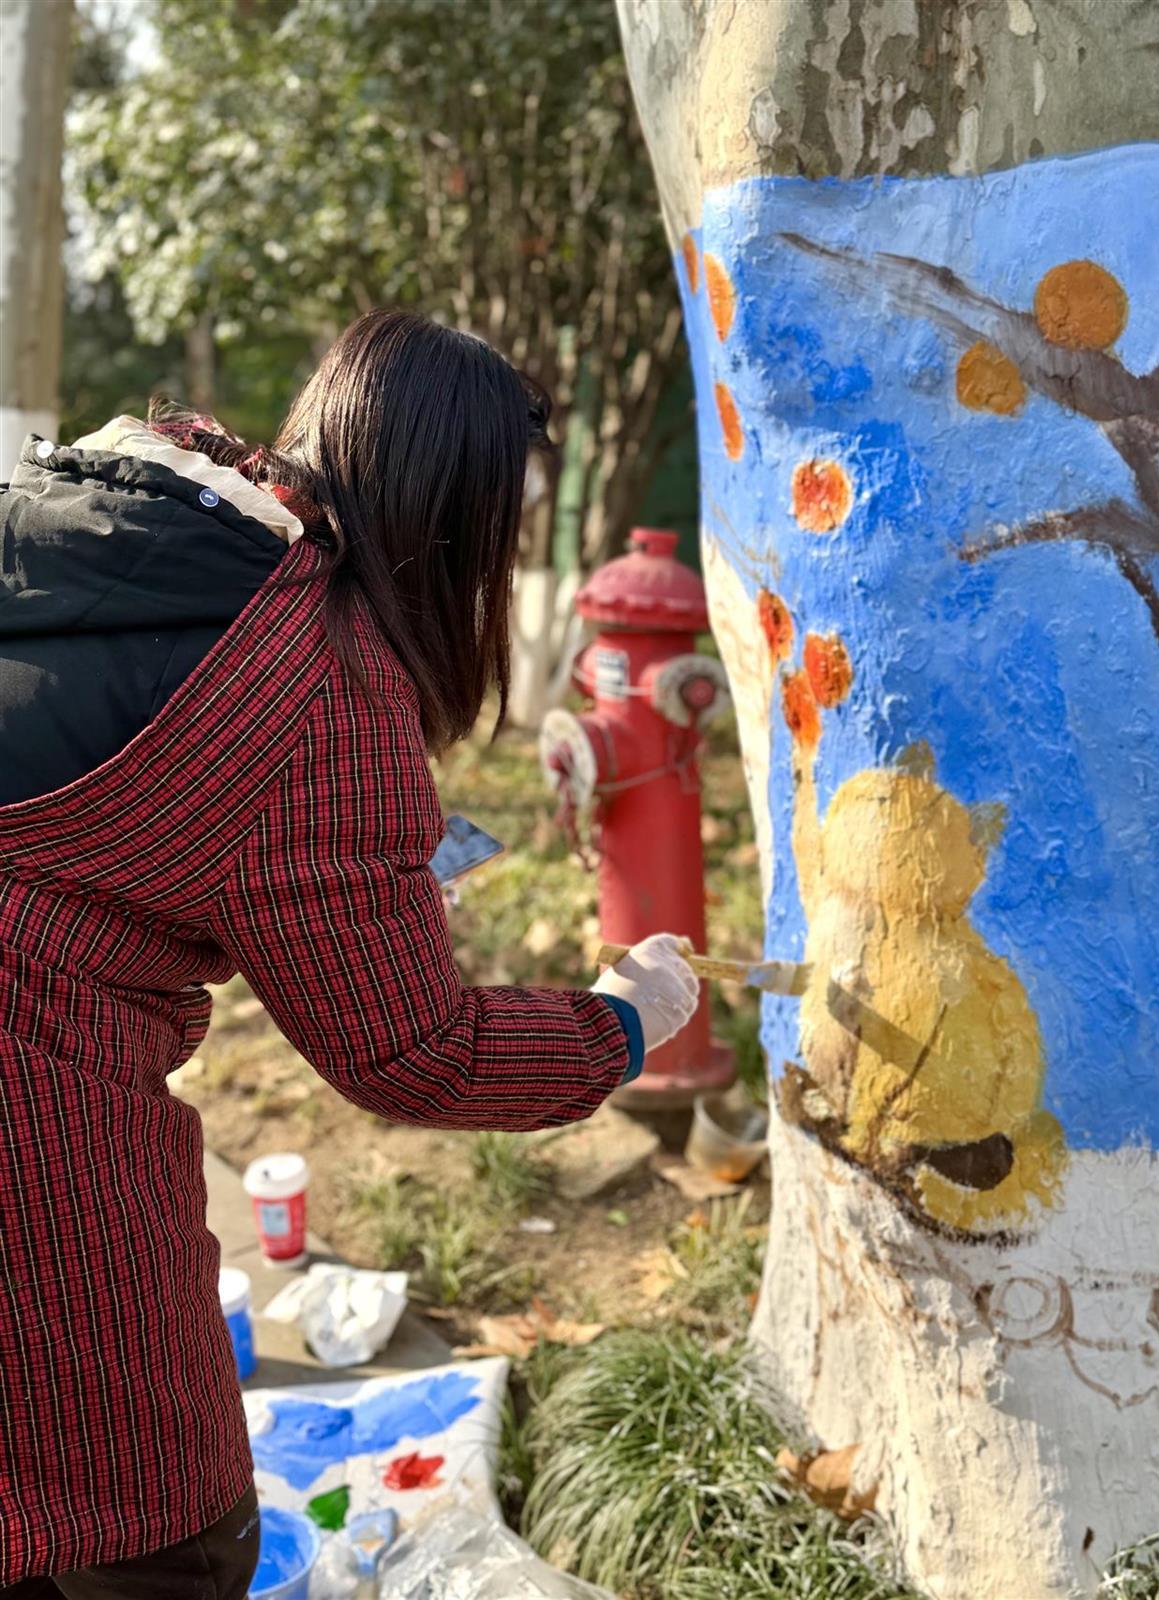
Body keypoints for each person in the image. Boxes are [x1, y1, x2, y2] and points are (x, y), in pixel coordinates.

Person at [0, 309, 699, 1597]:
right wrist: (621, 1020)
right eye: (503, 526)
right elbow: (411, 1053)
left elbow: (178, 808)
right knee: (150, 1510)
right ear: (449, 512)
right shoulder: (323, 682)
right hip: (33, 1111)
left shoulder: (139, 522)